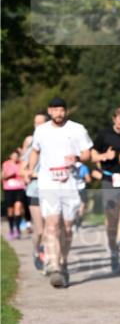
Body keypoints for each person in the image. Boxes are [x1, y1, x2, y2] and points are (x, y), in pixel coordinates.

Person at [27, 98, 93, 288]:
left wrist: (77, 157)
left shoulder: (77, 129)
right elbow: (35, 151)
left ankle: (63, 261)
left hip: (70, 183)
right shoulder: (41, 130)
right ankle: (55, 268)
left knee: (68, 227)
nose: (58, 113)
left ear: (66, 111)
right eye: (55, 110)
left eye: (61, 110)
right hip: (48, 183)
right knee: (53, 225)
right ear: (49, 111)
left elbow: (87, 153)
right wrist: (30, 169)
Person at [92, 107, 120, 274]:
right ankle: (113, 251)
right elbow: (92, 156)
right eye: (119, 125)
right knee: (111, 221)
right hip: (109, 180)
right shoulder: (104, 134)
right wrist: (104, 156)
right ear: (113, 119)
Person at [22, 112, 49, 269]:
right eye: (35, 123)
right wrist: (30, 173)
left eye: (40, 123)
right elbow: (22, 168)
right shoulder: (32, 143)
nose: (37, 126)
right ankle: (36, 251)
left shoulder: (54, 141)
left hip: (52, 189)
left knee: (50, 228)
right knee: (40, 230)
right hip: (35, 190)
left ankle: (46, 255)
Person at [2, 149, 26, 240]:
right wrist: (9, 175)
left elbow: (25, 174)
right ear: (10, 156)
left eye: (17, 156)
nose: (15, 157)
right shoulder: (6, 164)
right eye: (14, 155)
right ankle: (11, 229)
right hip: (8, 189)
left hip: (19, 189)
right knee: (10, 211)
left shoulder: (21, 164)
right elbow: (2, 177)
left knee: (18, 208)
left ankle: (18, 229)